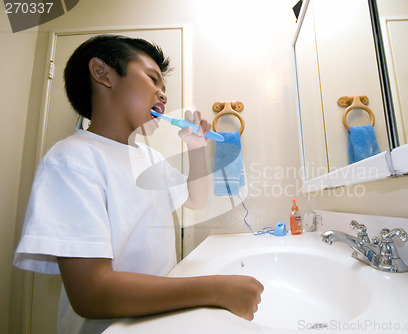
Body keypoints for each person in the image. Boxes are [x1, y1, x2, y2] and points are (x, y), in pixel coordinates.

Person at [13, 34, 263, 334]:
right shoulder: (73, 159)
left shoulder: (149, 157)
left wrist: (196, 147)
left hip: (157, 319)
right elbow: (91, 294)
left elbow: (196, 201)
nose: (163, 94)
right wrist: (213, 289)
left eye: (163, 88)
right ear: (102, 73)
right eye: (152, 79)